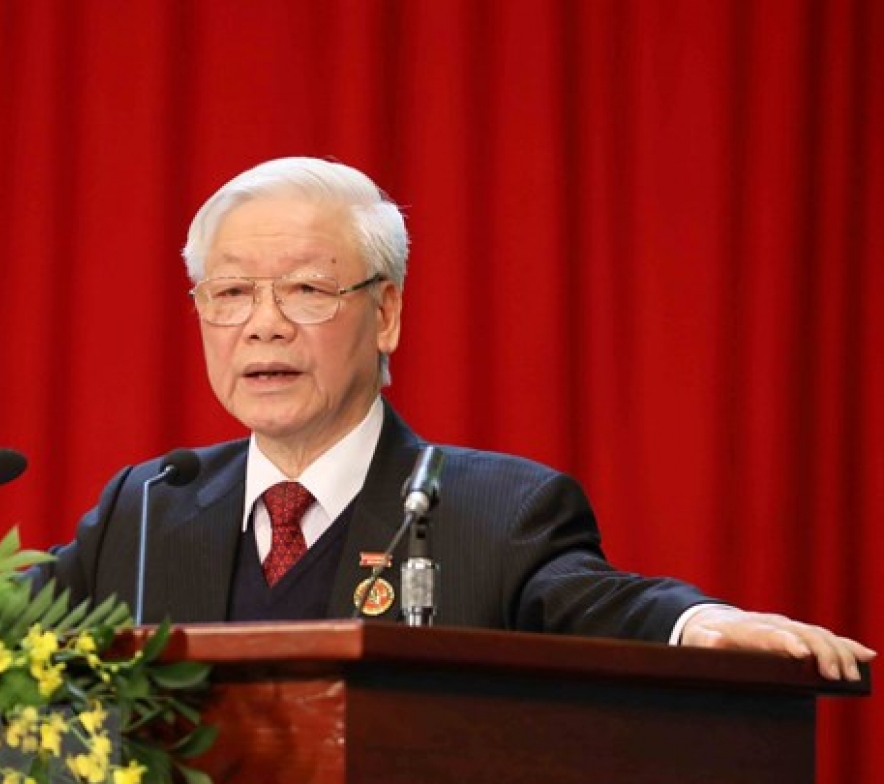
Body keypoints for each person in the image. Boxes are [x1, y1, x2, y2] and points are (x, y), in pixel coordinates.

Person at [42, 156, 874, 682]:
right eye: (230, 293)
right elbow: (11, 612)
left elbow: (593, 602)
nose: (264, 325)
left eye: (306, 290)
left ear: (387, 313)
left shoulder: (498, 511)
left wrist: (701, 623)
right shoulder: (148, 507)